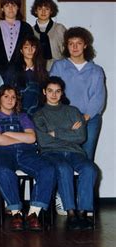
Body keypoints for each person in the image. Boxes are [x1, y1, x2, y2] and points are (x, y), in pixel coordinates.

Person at [0, 84, 55, 231]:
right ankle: (16, 213)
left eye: (13, 97)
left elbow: (31, 138)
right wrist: (19, 138)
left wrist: (6, 135)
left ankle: (33, 214)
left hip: (26, 153)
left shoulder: (23, 117)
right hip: (1, 154)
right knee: (4, 171)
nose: (10, 100)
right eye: (6, 96)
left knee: (47, 169)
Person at [33, 76, 97, 230]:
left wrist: (56, 133)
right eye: (50, 91)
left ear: (62, 93)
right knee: (63, 168)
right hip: (51, 153)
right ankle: (71, 214)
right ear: (44, 92)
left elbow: (81, 137)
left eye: (57, 91)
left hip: (75, 152)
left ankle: (83, 213)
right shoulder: (39, 115)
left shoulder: (73, 111)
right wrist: (69, 132)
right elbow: (44, 142)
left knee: (90, 169)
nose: (54, 95)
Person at [50, 27, 105, 162]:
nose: (74, 47)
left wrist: (84, 118)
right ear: (66, 46)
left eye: (79, 43)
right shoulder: (59, 66)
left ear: (85, 45)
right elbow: (53, 93)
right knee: (64, 161)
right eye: (71, 43)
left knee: (86, 160)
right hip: (63, 120)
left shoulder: (96, 70)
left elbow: (98, 97)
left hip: (89, 119)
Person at [0, 0, 34, 77]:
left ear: (18, 8)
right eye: (7, 6)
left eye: (14, 5)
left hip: (21, 72)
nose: (10, 8)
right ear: (2, 8)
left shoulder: (26, 28)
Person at [4, 35, 48, 116]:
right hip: (17, 114)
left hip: (38, 115)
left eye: (33, 47)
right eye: (26, 47)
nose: (30, 50)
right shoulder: (12, 71)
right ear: (21, 50)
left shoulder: (42, 71)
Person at [31, 0, 66, 69]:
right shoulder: (31, 30)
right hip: (37, 69)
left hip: (58, 68)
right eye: (40, 9)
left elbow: (67, 51)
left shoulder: (59, 29)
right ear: (35, 11)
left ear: (51, 11)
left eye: (47, 9)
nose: (43, 12)